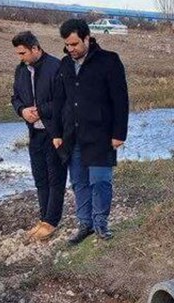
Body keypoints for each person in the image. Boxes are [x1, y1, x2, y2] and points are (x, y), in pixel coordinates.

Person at [50, 19, 129, 245]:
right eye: (67, 45)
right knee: (79, 182)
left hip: (101, 135)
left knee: (100, 181)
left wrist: (119, 134)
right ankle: (85, 224)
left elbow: (120, 100)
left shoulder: (109, 61)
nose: (70, 49)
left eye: (75, 44)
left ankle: (101, 223)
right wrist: (56, 133)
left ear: (87, 38)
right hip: (72, 136)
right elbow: (58, 101)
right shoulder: (65, 64)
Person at [10, 31, 68, 242]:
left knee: (56, 178)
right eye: (18, 54)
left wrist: (40, 111)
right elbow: (15, 97)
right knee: (40, 178)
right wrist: (22, 111)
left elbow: (66, 101)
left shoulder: (57, 67)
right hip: (34, 133)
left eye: (23, 53)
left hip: (55, 134)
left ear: (35, 48)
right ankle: (44, 219)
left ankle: (51, 222)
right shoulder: (21, 70)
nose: (20, 57)